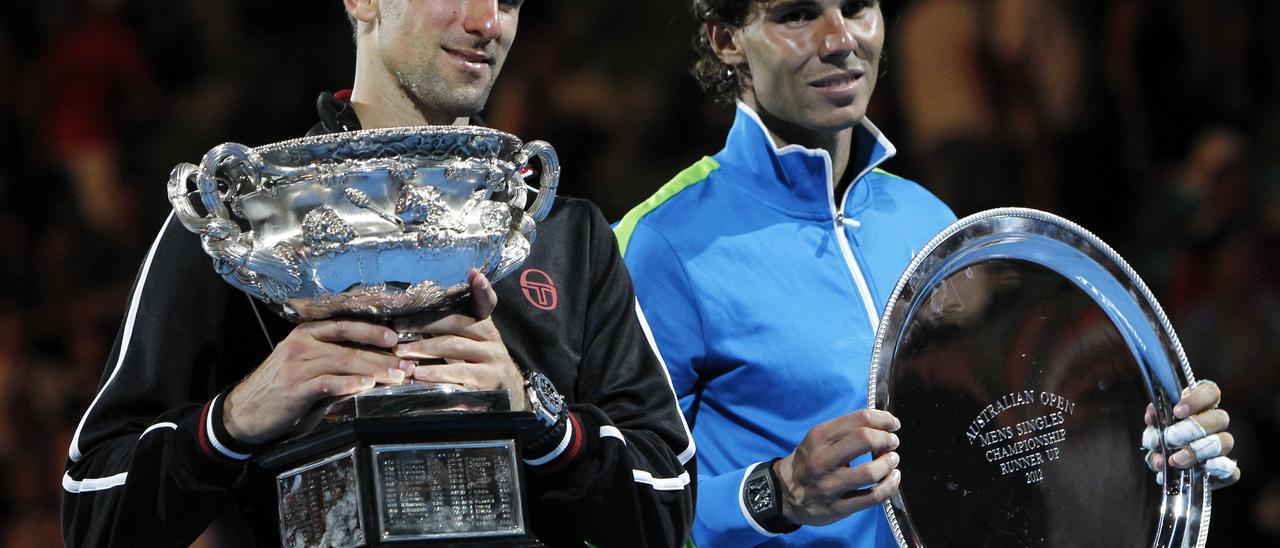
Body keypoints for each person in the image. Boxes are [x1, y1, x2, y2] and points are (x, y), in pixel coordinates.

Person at [61, 1, 694, 546]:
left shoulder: (561, 233)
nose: (486, 22)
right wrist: (236, 417)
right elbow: (92, 512)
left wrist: (539, 416)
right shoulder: (252, 225)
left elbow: (667, 501)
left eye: (510, 0)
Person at [614, 0, 1239, 546]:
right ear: (726, 39)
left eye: (857, 6)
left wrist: (1141, 438)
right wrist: (775, 494)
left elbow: (993, 443)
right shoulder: (663, 243)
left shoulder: (926, 219)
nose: (840, 40)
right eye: (797, 14)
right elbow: (609, 503)